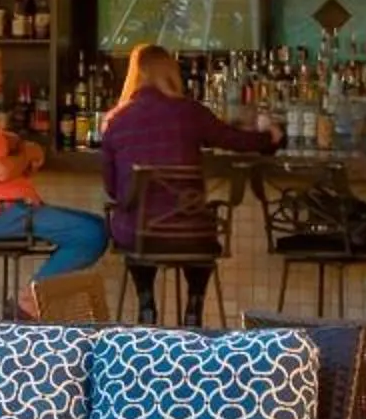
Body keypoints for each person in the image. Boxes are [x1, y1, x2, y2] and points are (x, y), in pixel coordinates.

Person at [97, 44, 277, 324]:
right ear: (171, 73)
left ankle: (146, 302)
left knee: (137, 228)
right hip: (192, 234)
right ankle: (194, 305)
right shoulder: (190, 112)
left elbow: (112, 189)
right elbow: (236, 140)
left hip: (139, 237)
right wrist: (270, 137)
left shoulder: (115, 122)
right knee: (199, 229)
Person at [0, 39, 107, 285]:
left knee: (96, 225)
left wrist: (18, 144)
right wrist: (27, 154)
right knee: (91, 233)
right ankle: (31, 302)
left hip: (1, 212)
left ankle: (35, 301)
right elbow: (2, 171)